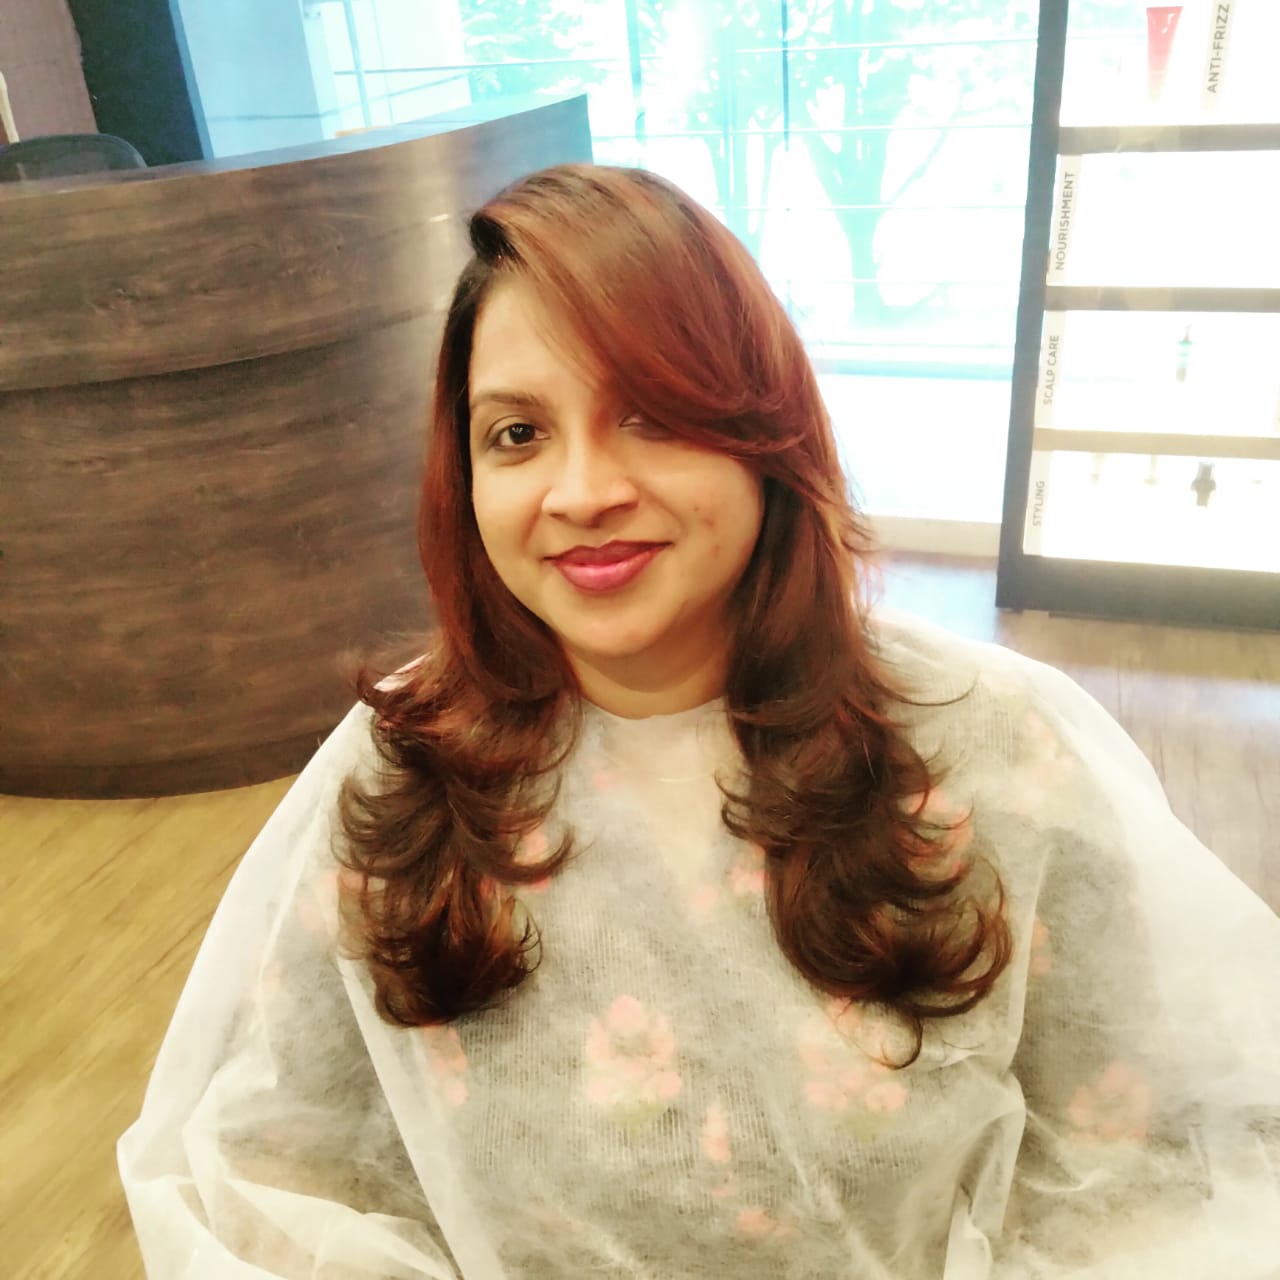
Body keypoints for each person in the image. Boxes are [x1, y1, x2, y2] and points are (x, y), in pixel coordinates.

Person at [118, 164, 1280, 1278]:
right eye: (516, 434)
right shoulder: (404, 774)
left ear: (765, 433)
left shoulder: (983, 752)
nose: (582, 491)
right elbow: (276, 1169)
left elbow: (1141, 1172)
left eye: (650, 416)